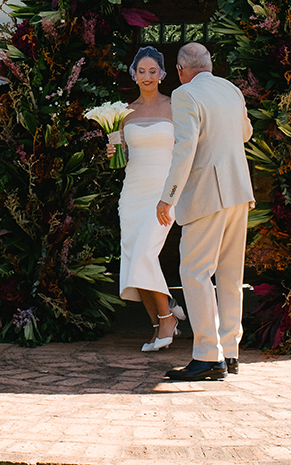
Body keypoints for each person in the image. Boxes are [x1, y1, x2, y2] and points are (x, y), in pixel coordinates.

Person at [157, 42, 255, 382]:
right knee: (230, 275)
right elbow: (246, 133)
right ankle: (230, 352)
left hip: (206, 195)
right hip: (239, 191)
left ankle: (207, 355)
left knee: (195, 272)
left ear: (182, 70)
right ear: (210, 65)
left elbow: (184, 150)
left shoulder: (185, 95)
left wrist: (167, 197)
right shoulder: (230, 89)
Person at [112, 46, 187, 352]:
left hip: (164, 191)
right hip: (132, 194)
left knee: (144, 253)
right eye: (141, 71)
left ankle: (168, 318)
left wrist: (173, 194)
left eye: (152, 71)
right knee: (133, 259)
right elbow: (122, 157)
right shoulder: (124, 113)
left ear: (162, 74)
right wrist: (113, 152)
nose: (146, 76)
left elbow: (186, 150)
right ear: (134, 74)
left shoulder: (175, 106)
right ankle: (157, 324)